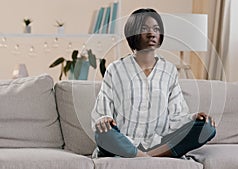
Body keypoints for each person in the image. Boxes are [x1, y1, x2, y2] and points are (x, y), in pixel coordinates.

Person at [91, 8, 216, 158]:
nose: (152, 33)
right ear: (133, 32)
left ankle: (145, 156)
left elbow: (177, 116)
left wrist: (193, 118)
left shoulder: (169, 70)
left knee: (206, 128)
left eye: (156, 29)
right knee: (102, 133)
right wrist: (104, 119)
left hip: (160, 143)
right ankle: (142, 156)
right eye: (144, 29)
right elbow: (102, 110)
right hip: (124, 140)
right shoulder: (115, 69)